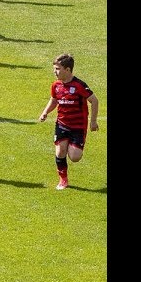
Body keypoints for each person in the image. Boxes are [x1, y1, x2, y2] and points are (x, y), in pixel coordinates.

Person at [37, 53, 99, 190]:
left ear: (68, 70)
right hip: (62, 124)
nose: (55, 72)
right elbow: (54, 100)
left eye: (58, 69)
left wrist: (93, 121)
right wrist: (45, 112)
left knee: (75, 157)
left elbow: (94, 100)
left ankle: (74, 145)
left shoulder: (79, 85)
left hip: (78, 126)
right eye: (54, 68)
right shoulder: (56, 85)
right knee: (60, 152)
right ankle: (63, 180)